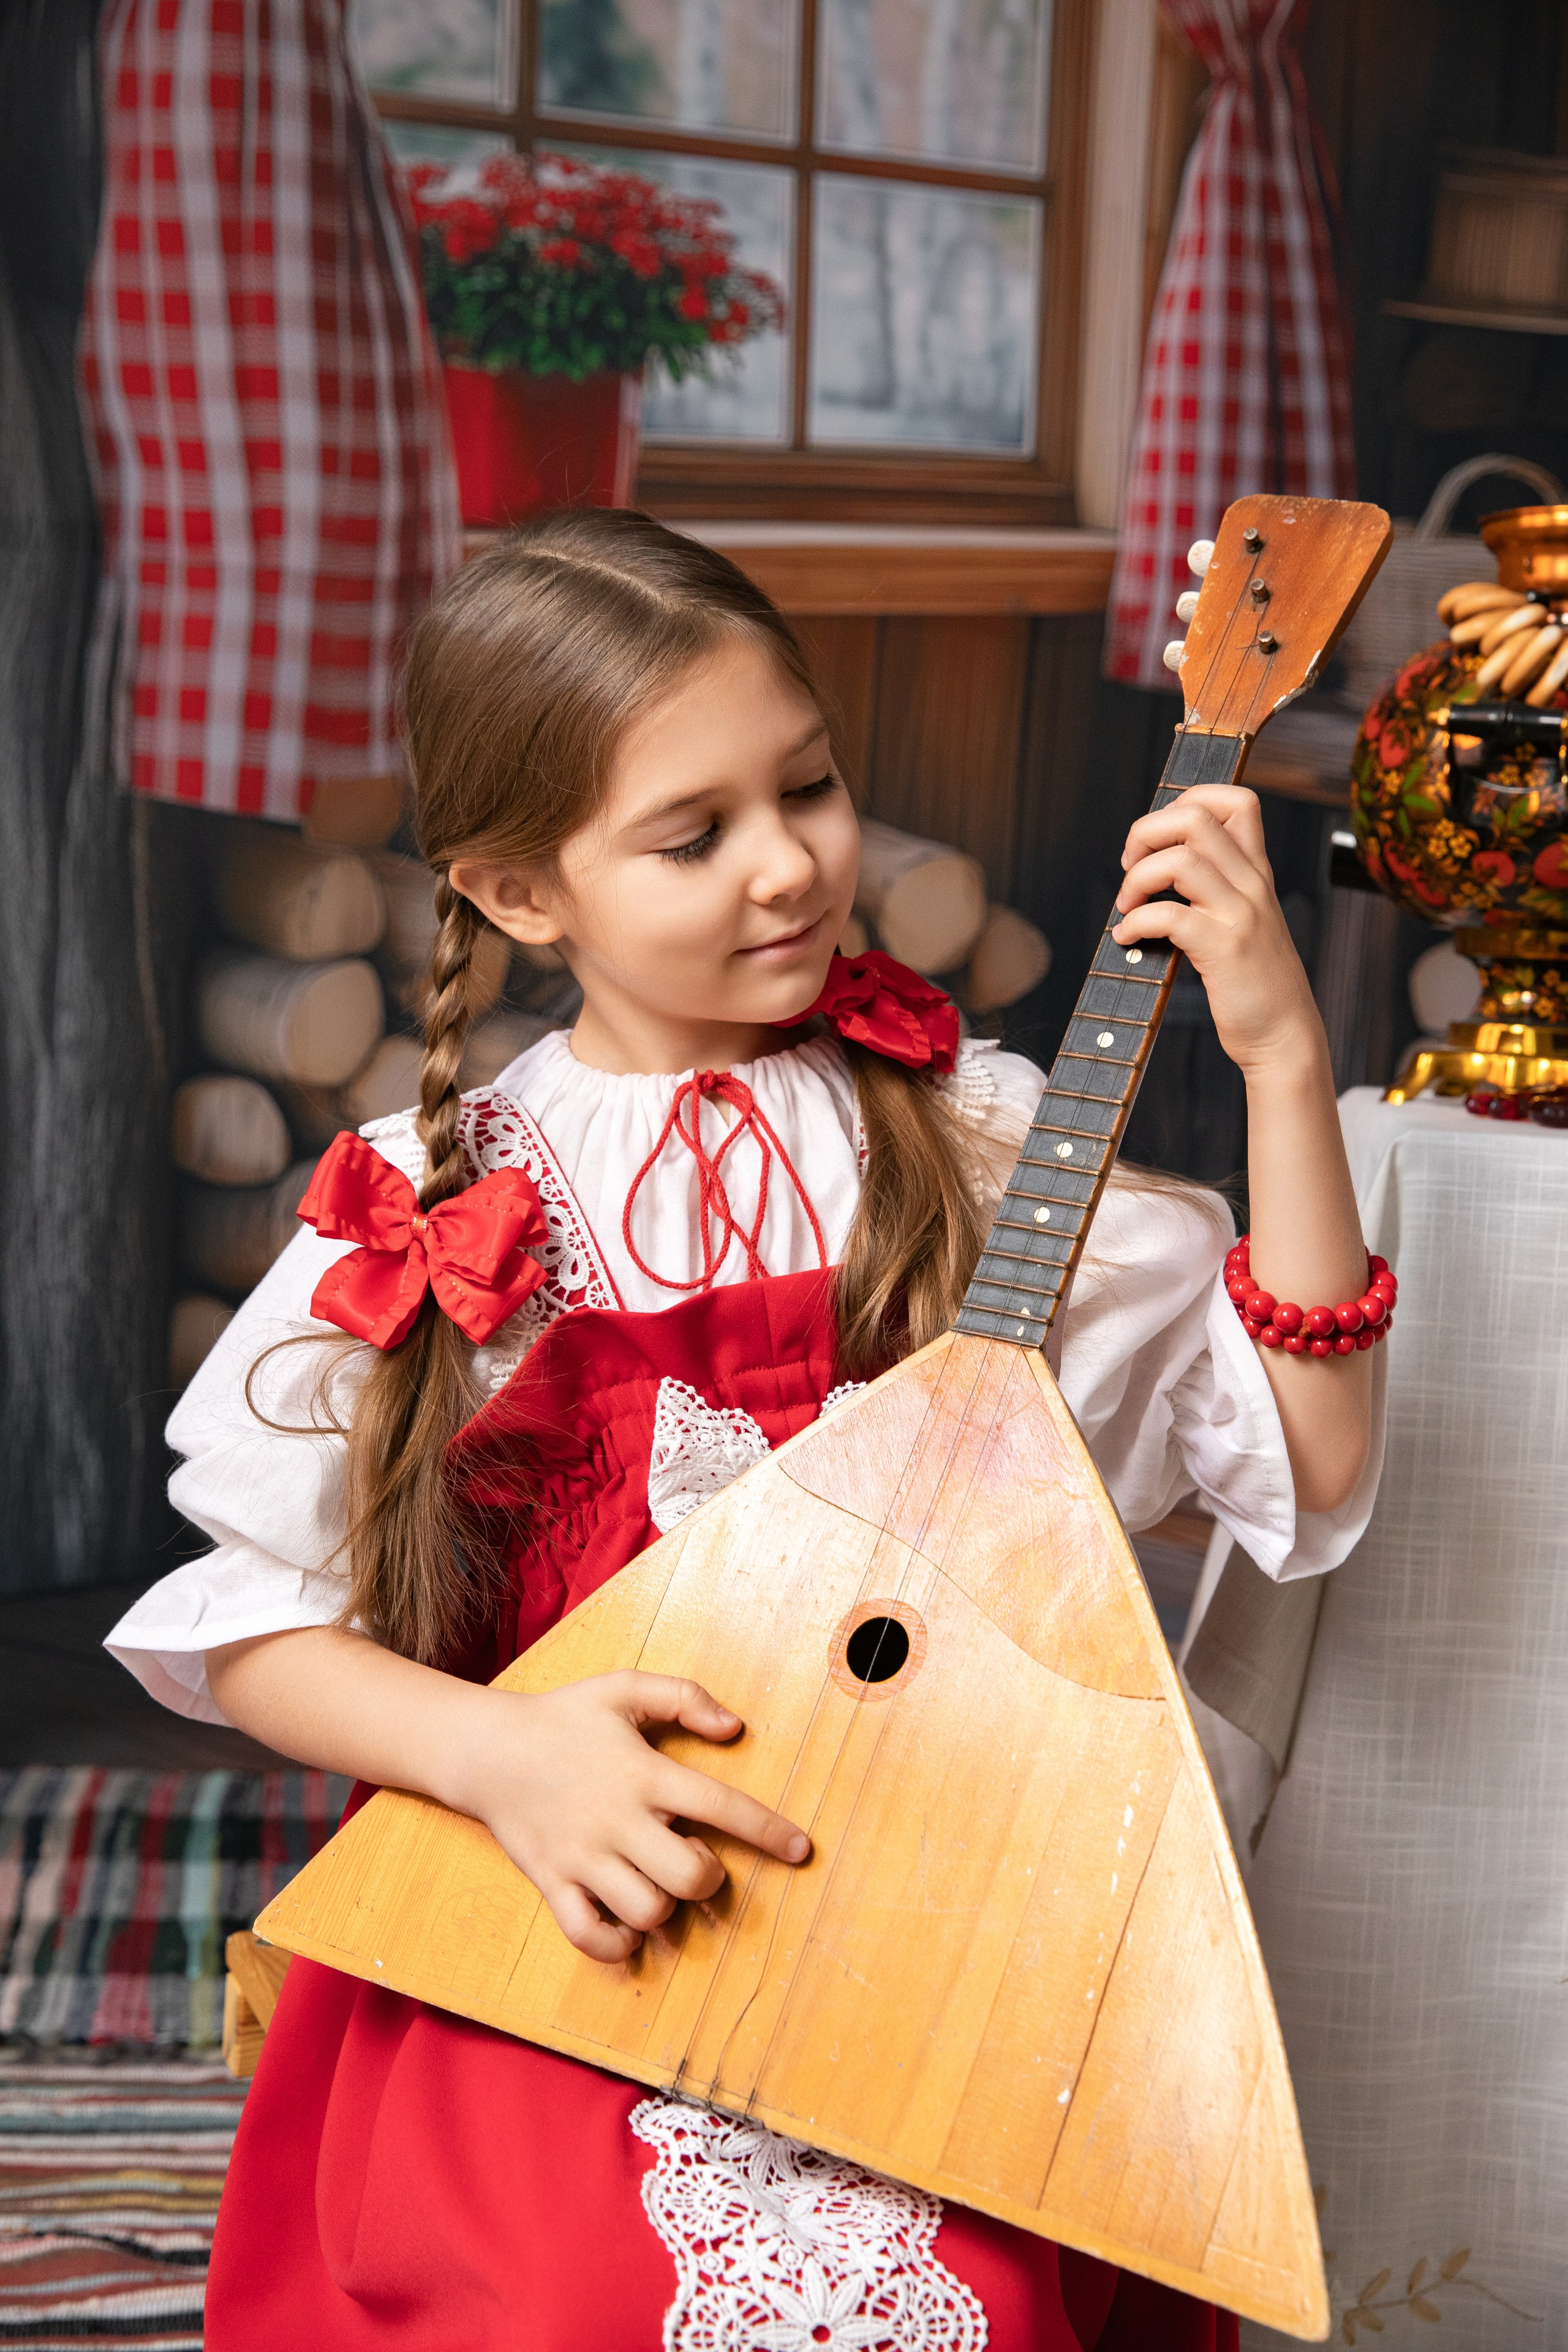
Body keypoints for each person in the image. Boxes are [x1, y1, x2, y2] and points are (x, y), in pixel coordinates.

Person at [108, 509, 1385, 2352]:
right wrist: (504, 1759)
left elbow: (1318, 1477)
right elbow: (250, 1630)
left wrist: (1276, 1056)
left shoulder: (978, 1138)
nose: (788, 867)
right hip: (567, 1918)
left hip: (939, 1925)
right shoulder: (445, 1205)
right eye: (694, 836)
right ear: (519, 891)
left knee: (990, 2298)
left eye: (812, 788)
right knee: (577, 2299)